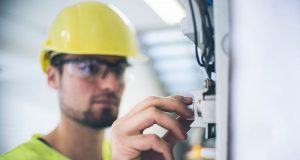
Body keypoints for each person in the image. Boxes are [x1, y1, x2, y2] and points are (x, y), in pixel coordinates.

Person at [0, 2, 193, 160]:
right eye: (88, 67)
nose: (111, 84)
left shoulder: (128, 154)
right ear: (53, 77)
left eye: (118, 69)